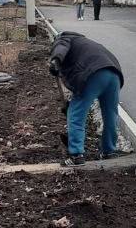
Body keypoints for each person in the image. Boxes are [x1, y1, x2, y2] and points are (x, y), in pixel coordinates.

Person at [48, 31, 124, 166]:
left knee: (76, 115)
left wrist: (55, 60)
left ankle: (76, 155)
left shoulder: (64, 38)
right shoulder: (87, 43)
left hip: (93, 75)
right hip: (114, 75)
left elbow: (61, 48)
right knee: (111, 115)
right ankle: (109, 151)